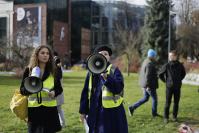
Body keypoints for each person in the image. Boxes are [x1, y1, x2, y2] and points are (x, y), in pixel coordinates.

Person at [79, 45, 128, 133]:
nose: (103, 55)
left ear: (109, 57)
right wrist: (83, 111)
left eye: (106, 54)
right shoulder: (91, 72)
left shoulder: (114, 70)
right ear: (96, 56)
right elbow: (85, 92)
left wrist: (107, 78)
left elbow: (118, 88)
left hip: (112, 112)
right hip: (94, 110)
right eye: (100, 54)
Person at [20, 45, 63, 133]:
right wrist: (31, 88)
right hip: (34, 110)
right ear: (37, 55)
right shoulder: (29, 70)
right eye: (42, 53)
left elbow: (59, 88)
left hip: (50, 110)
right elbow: (22, 90)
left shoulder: (54, 70)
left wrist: (54, 92)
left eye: (47, 53)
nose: (45, 55)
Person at [128, 49, 159, 117]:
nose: (155, 57)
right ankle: (154, 113)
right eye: (154, 56)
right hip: (149, 85)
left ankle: (132, 107)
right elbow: (148, 76)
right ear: (152, 56)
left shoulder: (145, 61)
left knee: (145, 98)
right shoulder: (150, 64)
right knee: (155, 99)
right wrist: (148, 86)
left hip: (144, 84)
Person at [159, 50, 186, 123]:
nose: (170, 57)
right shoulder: (167, 65)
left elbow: (183, 74)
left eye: (171, 56)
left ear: (175, 56)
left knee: (176, 103)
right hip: (169, 87)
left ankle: (174, 117)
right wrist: (166, 81)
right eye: (169, 56)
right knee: (168, 102)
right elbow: (160, 74)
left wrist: (179, 80)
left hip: (177, 87)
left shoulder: (180, 65)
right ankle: (166, 117)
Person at [53, 51, 66, 127]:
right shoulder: (58, 66)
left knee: (58, 108)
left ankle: (62, 123)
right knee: (58, 108)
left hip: (57, 90)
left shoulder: (56, 64)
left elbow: (58, 77)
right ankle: (62, 123)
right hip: (58, 90)